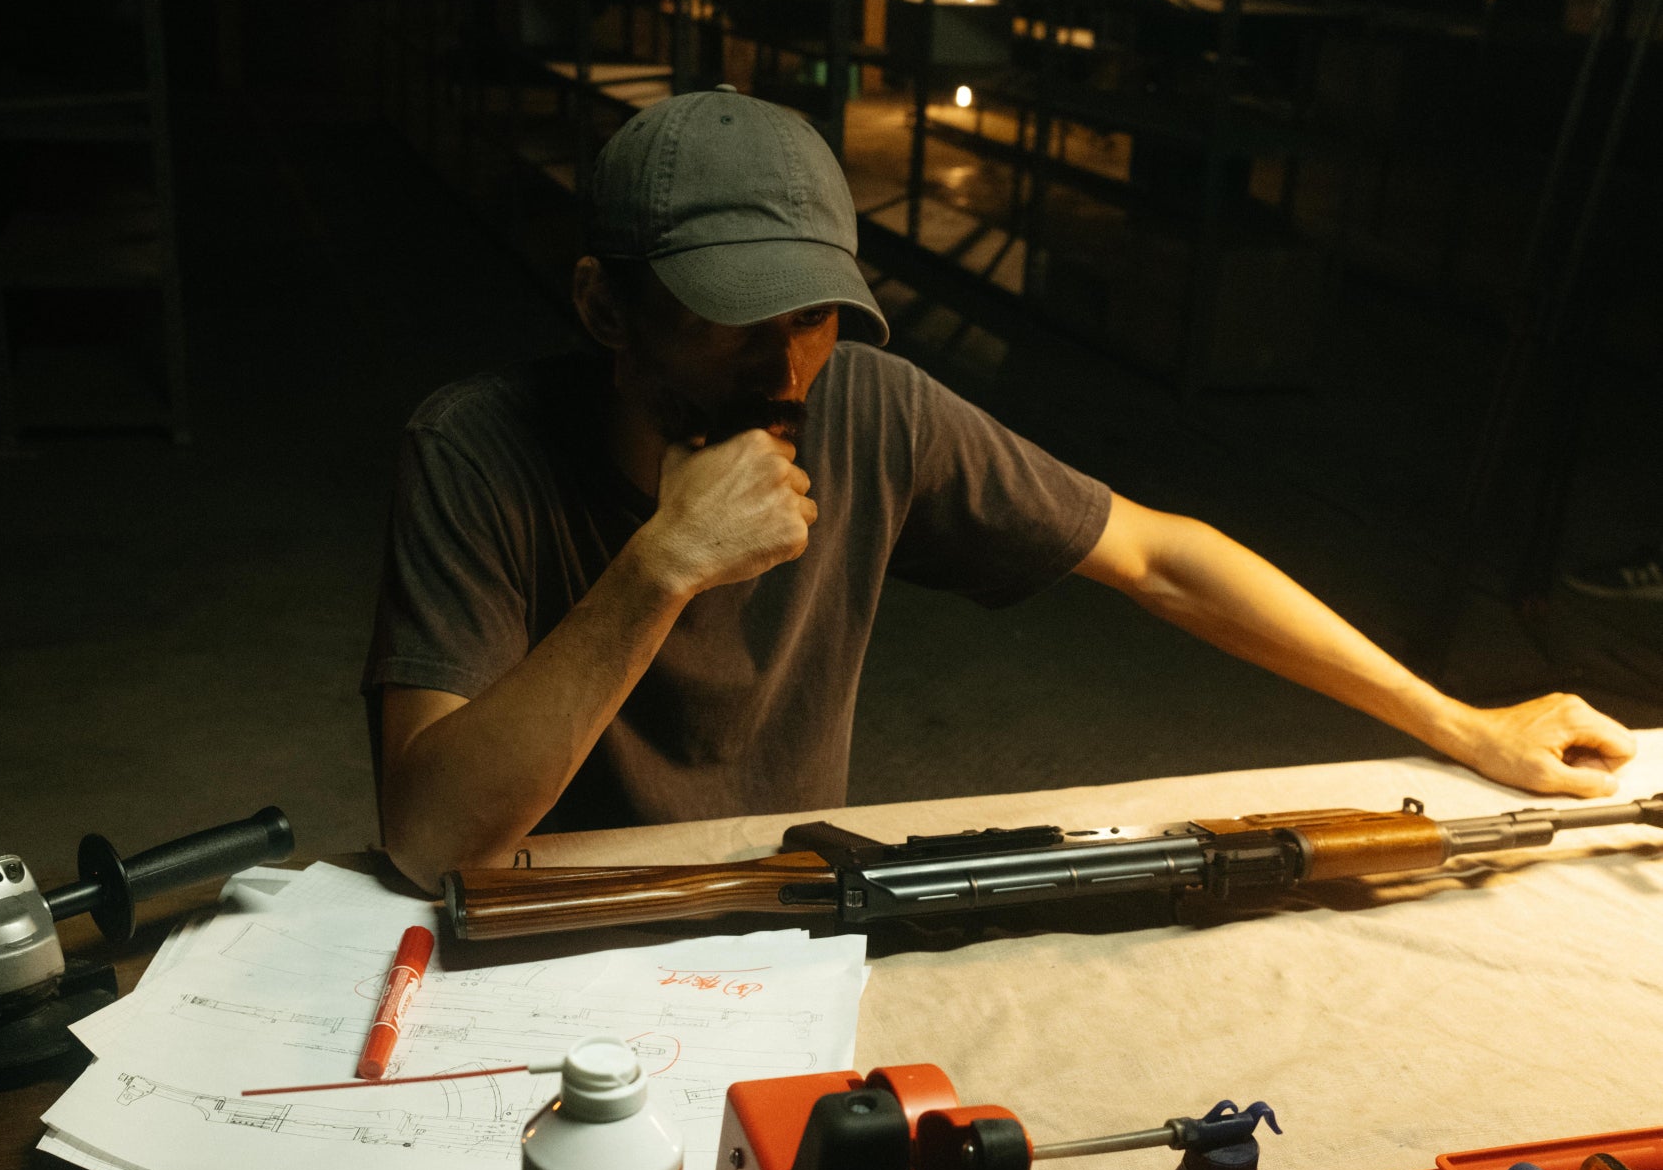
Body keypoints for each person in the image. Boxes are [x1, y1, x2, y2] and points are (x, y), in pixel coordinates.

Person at [365, 85, 1636, 894]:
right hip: (542, 919)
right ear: (606, 308)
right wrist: (660, 565)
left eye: (811, 315)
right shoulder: (477, 450)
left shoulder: (869, 407)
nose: (785, 371)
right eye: (732, 320)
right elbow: (426, 838)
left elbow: (1160, 558)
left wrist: (1458, 722)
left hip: (783, 907)